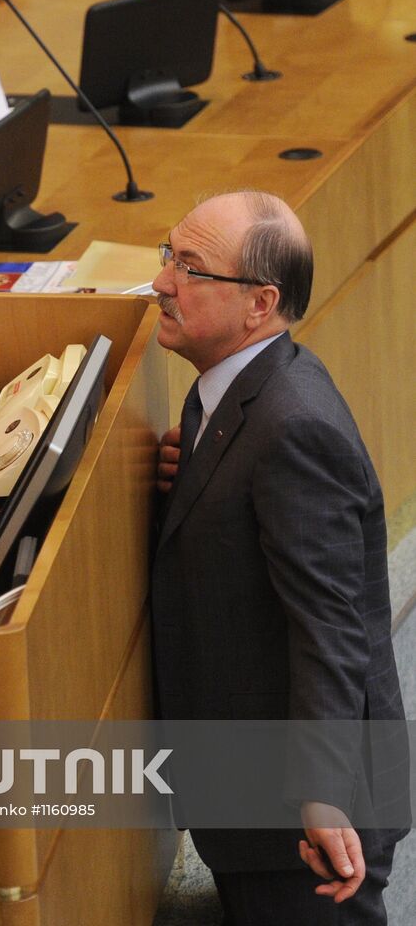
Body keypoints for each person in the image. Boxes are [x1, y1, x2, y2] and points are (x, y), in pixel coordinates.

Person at [150, 190, 407, 923]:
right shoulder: (232, 391)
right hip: (250, 786)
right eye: (168, 255)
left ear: (257, 305)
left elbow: (331, 633)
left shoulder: (292, 429)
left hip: (306, 817)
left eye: (190, 267)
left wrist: (320, 799)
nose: (163, 281)